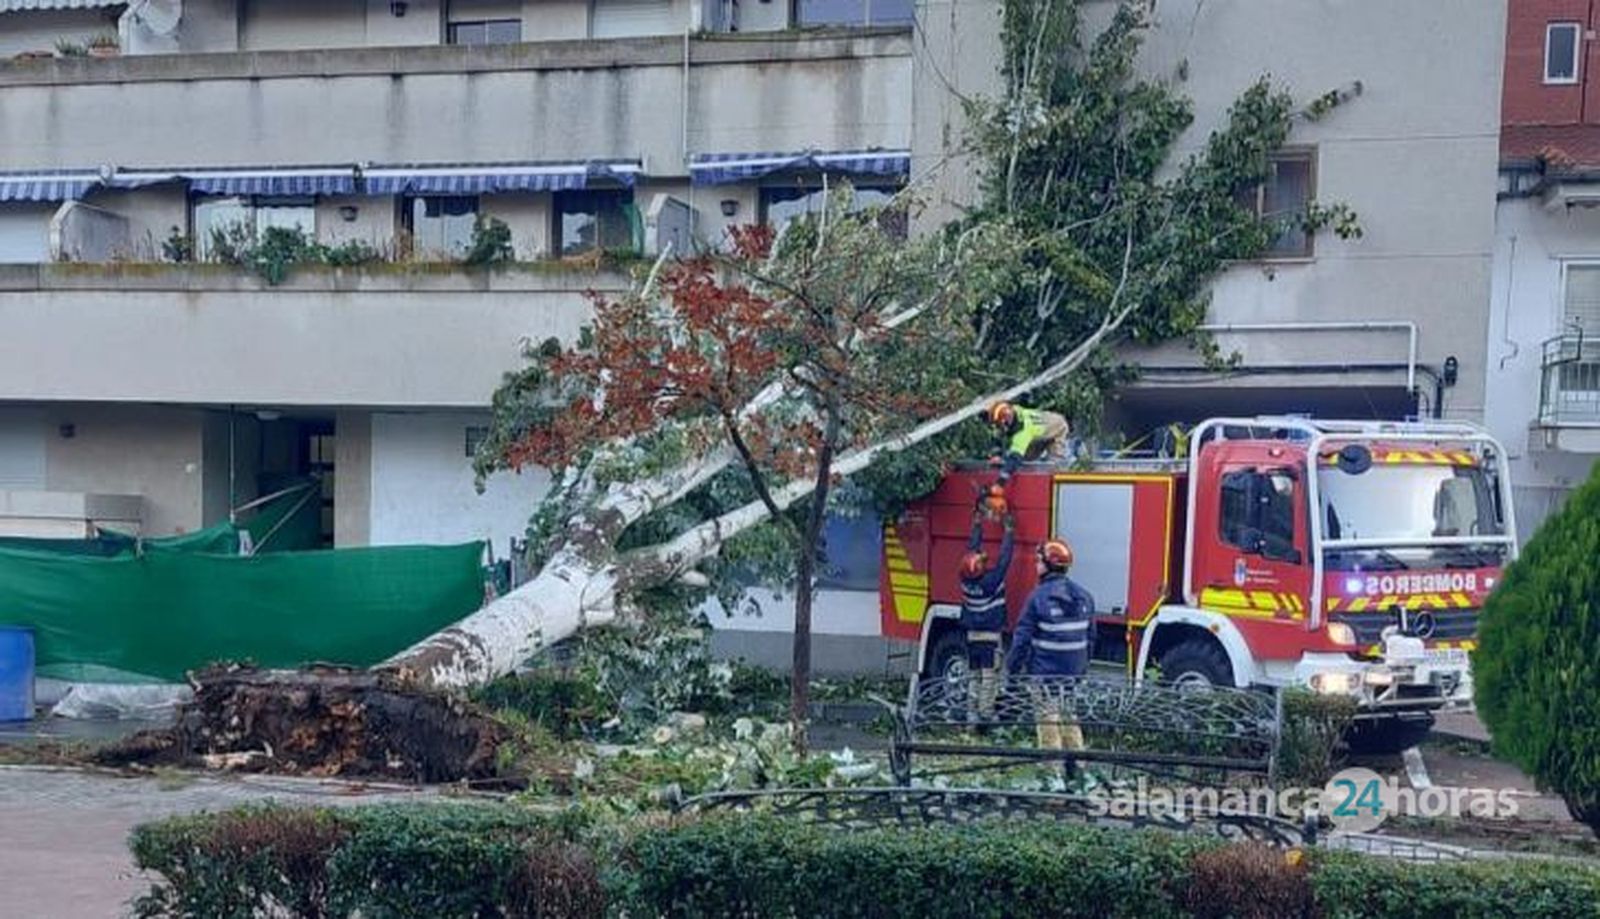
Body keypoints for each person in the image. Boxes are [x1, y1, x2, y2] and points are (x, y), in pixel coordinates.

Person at [1005, 539, 1095, 751]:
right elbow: (1090, 639)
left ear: (1047, 565)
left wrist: (1012, 672)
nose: (1036, 566)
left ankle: (1052, 774)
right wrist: (1081, 670)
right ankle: (1077, 768)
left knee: (1048, 725)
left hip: (1045, 674)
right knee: (1069, 718)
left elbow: (1021, 640)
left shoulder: (1037, 598)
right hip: (1072, 675)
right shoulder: (1085, 597)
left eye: (1038, 561)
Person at [958, 508, 1014, 722]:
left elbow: (971, 550)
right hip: (990, 639)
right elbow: (1004, 559)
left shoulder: (965, 579)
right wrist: (1009, 531)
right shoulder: (992, 581)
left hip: (972, 637)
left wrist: (977, 524)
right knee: (989, 678)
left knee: (973, 676)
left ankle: (971, 715)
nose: (983, 556)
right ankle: (985, 715)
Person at [988, 402, 1070, 487]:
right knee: (1024, 460)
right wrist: (996, 455)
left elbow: (1015, 458)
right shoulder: (1013, 411)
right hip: (1038, 434)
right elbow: (996, 434)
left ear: (1006, 422)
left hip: (1057, 428)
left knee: (1055, 466)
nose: (998, 429)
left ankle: (1062, 488)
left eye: (1000, 425)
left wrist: (1000, 482)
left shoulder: (1023, 433)